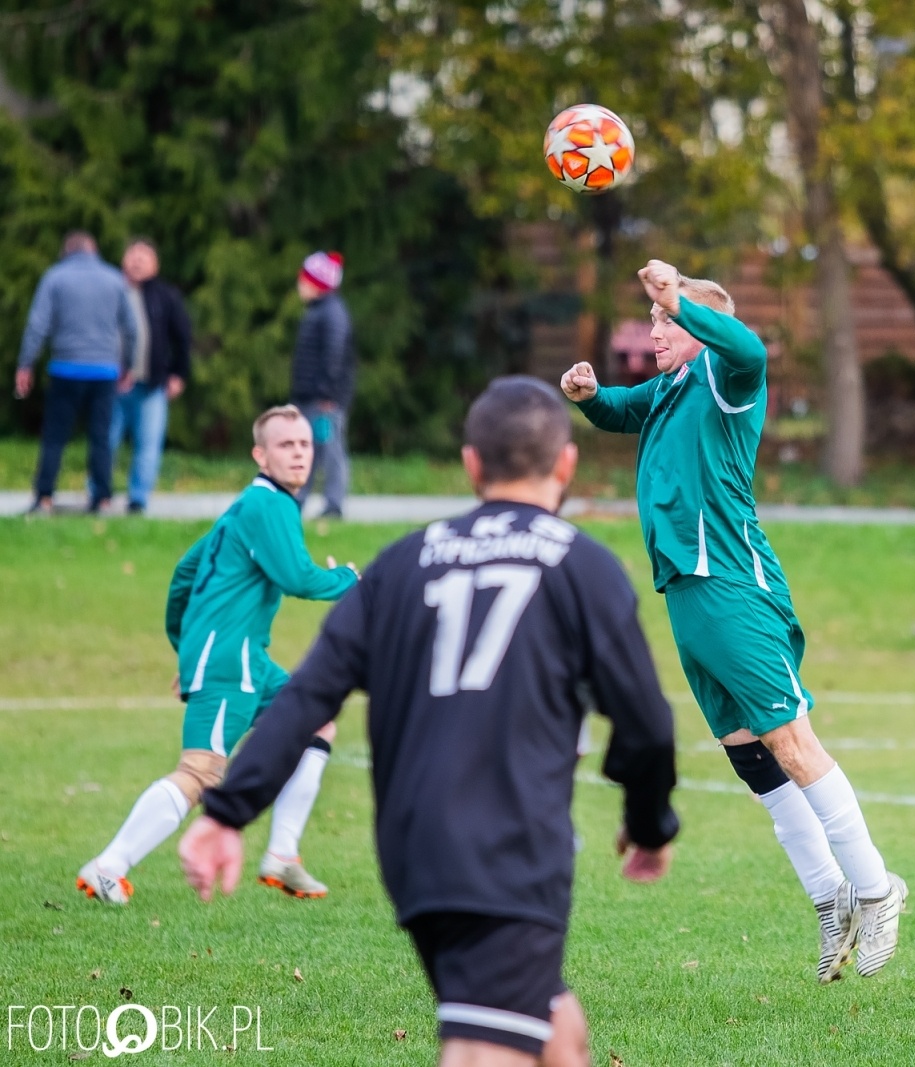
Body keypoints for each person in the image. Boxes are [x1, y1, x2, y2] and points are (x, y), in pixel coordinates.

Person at [179, 377, 680, 1067]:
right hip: (508, 847)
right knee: (484, 1048)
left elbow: (308, 695)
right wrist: (651, 824)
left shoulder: (401, 564)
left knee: (554, 1029)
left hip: (415, 850)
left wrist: (228, 810)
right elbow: (648, 724)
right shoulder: (581, 564)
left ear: (472, 465)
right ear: (565, 465)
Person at [560, 260, 906, 985]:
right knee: (752, 756)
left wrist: (680, 300)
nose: (655, 329)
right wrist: (592, 398)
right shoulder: (673, 387)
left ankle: (877, 888)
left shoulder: (725, 374)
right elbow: (627, 411)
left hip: (731, 586)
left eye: (665, 322)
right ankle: (829, 898)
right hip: (686, 592)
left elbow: (750, 350)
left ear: (699, 328)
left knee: (792, 741)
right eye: (654, 319)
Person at [77, 405, 358, 905]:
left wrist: (187, 652)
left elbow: (184, 575)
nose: (298, 454)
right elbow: (298, 577)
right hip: (233, 662)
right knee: (201, 772)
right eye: (285, 445)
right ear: (260, 454)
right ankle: (107, 866)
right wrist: (350, 580)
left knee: (318, 722)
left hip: (242, 658)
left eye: (304, 445)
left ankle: (283, 856)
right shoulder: (270, 506)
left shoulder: (246, 506)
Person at [14, 231, 139, 515]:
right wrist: (127, 366)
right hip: (105, 371)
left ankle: (44, 497)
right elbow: (131, 329)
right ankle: (103, 498)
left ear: (66, 252)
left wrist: (25, 365)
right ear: (93, 250)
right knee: (101, 437)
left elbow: (37, 325)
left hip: (65, 369)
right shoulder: (114, 279)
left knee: (55, 436)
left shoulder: (55, 277)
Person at [111, 238, 192, 515]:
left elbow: (182, 337)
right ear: (123, 259)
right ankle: (99, 493)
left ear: (155, 265)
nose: (137, 261)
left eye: (144, 257)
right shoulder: (112, 289)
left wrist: (178, 374)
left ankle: (138, 499)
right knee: (106, 440)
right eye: (133, 255)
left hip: (151, 384)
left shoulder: (164, 296)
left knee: (148, 444)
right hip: (112, 382)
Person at [289, 250, 356, 519]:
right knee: (306, 450)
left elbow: (334, 356)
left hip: (324, 400)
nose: (300, 286)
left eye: (304, 280)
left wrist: (327, 394)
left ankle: (334, 504)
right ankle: (299, 500)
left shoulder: (332, 314)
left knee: (330, 449)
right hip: (309, 396)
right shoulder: (317, 312)